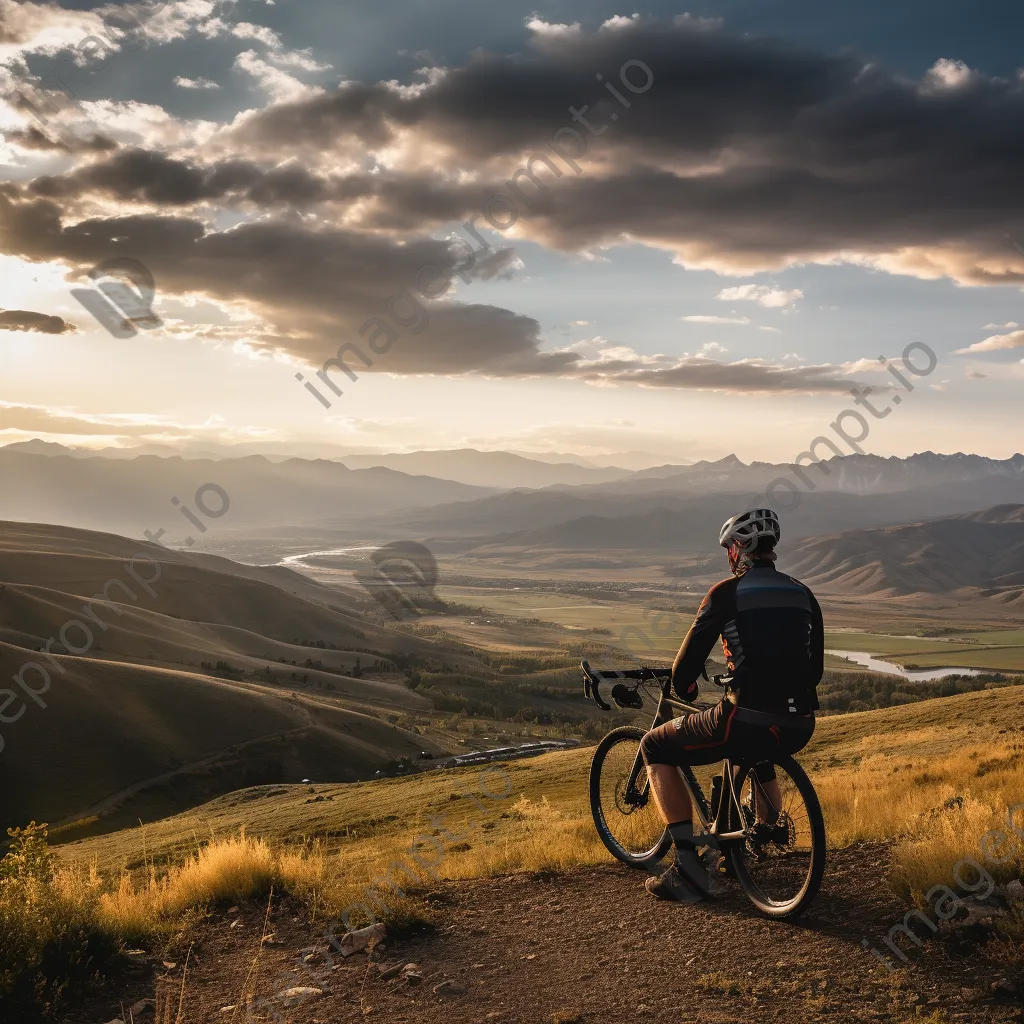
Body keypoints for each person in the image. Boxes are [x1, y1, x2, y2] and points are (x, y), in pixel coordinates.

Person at [639, 508, 824, 903]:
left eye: (729, 548)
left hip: (742, 718)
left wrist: (685, 686)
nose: (729, 554)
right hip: (800, 722)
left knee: (654, 746)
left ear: (738, 549)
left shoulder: (724, 594)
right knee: (759, 747)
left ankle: (687, 870)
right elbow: (815, 668)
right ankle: (754, 835)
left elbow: (685, 667)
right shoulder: (804, 593)